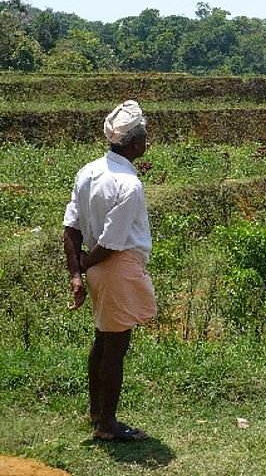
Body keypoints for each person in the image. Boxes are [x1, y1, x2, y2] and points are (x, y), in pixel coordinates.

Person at [63, 100, 157, 442]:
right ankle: (107, 424)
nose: (146, 142)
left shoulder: (88, 172)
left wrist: (76, 273)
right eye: (144, 137)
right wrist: (85, 264)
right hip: (114, 267)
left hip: (99, 270)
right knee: (116, 346)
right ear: (134, 144)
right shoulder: (129, 185)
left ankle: (96, 411)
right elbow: (112, 243)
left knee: (103, 339)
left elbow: (71, 227)